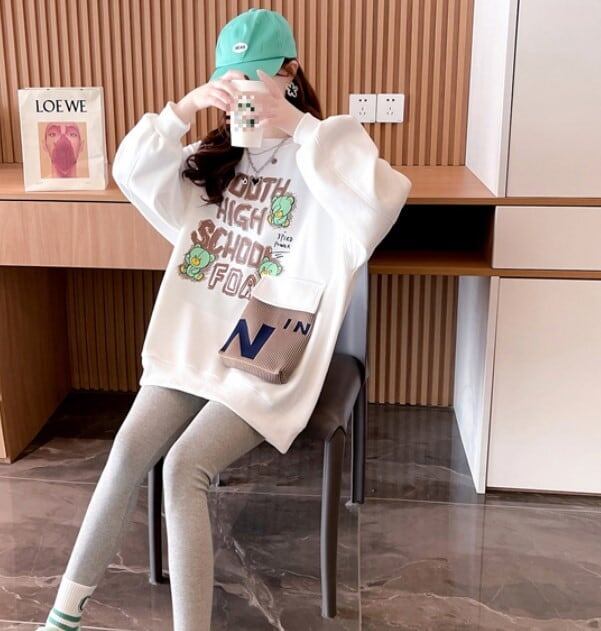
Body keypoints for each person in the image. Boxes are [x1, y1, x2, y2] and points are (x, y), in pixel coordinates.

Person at [37, 7, 411, 631]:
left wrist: (298, 125)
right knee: (127, 452)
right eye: (231, 84)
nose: (244, 96)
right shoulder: (212, 158)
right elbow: (131, 170)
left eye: (256, 79)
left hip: (269, 342)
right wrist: (183, 109)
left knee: (183, 467)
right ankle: (63, 615)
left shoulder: (328, 151)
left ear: (290, 72)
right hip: (198, 337)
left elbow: (380, 201)